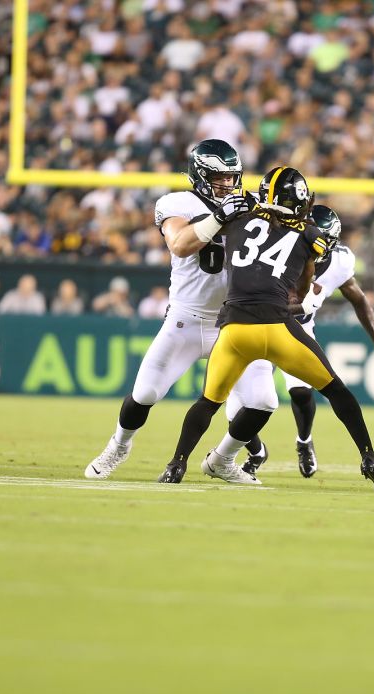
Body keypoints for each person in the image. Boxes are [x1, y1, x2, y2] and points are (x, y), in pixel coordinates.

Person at [157, 166, 374, 493]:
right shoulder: (310, 234)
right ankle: (369, 458)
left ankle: (177, 464)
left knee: (207, 402)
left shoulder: (236, 218)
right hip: (276, 327)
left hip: (234, 329)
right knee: (337, 392)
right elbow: (303, 284)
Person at [83, 140, 277, 482]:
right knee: (144, 393)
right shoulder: (177, 203)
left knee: (263, 401)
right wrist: (220, 217)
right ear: (200, 176)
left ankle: (222, 460)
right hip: (187, 319)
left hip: (234, 322)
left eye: (232, 178)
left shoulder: (249, 206)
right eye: (219, 178)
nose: (228, 185)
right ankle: (119, 445)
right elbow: (180, 243)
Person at [218, 204, 374, 480]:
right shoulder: (278, 248)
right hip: (261, 325)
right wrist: (301, 306)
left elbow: (359, 299)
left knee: (303, 390)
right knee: (239, 409)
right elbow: (261, 301)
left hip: (296, 332)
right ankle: (255, 452)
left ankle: (304, 441)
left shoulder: (338, 262)